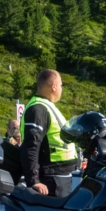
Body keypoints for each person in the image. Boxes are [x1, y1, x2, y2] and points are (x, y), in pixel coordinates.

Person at [20, 69, 79, 198]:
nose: (62, 89)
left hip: (59, 176)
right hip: (51, 179)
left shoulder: (48, 106)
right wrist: (34, 180)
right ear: (54, 86)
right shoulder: (38, 109)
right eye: (61, 85)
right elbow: (31, 146)